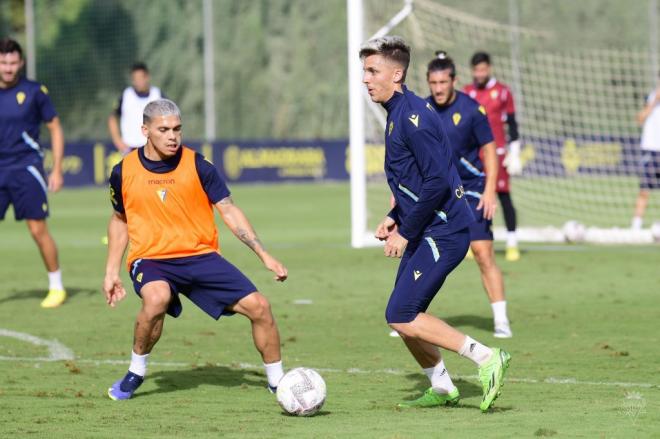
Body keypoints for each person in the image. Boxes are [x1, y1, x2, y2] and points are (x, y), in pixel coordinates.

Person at [360, 36, 510, 411]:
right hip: (425, 228)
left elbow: (438, 181)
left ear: (396, 74)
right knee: (400, 315)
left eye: (372, 71)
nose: (365, 79)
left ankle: (487, 358)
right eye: (365, 70)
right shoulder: (399, 112)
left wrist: (406, 231)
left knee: (401, 313)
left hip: (443, 231)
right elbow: (415, 179)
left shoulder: (414, 118)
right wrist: (394, 217)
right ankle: (442, 386)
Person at [104, 99, 288, 400]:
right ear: (145, 130)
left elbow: (229, 211)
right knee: (157, 297)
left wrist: (264, 254)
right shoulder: (123, 171)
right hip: (151, 259)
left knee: (261, 307)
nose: (172, 136)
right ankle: (135, 371)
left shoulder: (199, 165)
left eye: (177, 129)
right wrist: (111, 271)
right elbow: (119, 220)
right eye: (163, 130)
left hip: (200, 257)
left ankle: (278, 382)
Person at [427, 51, 512, 338]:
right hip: (438, 193)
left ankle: (500, 320)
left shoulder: (472, 110)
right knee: (423, 253)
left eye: (443, 82)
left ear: (454, 81)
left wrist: (490, 191)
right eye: (433, 83)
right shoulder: (422, 111)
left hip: (473, 190)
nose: (438, 88)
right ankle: (410, 314)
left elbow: (489, 150)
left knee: (482, 252)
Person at [0, 37, 66, 308]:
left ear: (21, 63)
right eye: (3, 62)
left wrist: (57, 168)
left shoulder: (34, 91)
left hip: (26, 167)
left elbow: (54, 127)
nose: (8, 68)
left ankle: (56, 287)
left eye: (13, 62)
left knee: (37, 230)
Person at [464, 51, 521, 261]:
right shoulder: (467, 92)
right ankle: (470, 242)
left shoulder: (503, 92)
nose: (479, 73)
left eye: (483, 69)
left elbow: (512, 124)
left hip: (497, 154)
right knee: (470, 198)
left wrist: (514, 152)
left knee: (504, 197)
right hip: (473, 156)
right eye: (476, 70)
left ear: (489, 68)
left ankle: (512, 243)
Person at [108, 62, 164, 154]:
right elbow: (112, 118)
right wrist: (118, 141)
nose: (138, 81)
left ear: (147, 77)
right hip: (129, 149)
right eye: (135, 79)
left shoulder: (158, 95)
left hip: (152, 148)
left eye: (140, 78)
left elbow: (170, 119)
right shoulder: (126, 95)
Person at [631, 74, 660, 229]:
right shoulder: (650, 98)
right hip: (650, 149)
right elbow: (640, 119)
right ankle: (636, 226)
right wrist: (654, 100)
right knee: (644, 190)